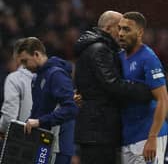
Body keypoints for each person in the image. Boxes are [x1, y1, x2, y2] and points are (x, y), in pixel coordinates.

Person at [74, 11, 153, 164]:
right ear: (109, 28)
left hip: (96, 128)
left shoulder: (95, 48)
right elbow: (113, 84)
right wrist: (145, 90)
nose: (122, 33)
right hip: (99, 130)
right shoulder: (100, 49)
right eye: (120, 28)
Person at [14, 37, 79, 164]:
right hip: (44, 143)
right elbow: (39, 109)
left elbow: (71, 109)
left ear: (36, 54)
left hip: (58, 146)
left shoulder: (56, 75)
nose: (24, 67)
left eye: (25, 61)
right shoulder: (37, 78)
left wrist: (39, 121)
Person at [118, 11, 168, 164]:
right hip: (127, 137)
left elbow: (163, 99)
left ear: (140, 32)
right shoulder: (119, 57)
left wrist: (152, 138)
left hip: (148, 136)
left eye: (126, 29)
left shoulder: (148, 58)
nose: (120, 34)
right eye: (119, 28)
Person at [0, 39, 33, 140]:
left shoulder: (14, 78)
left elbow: (9, 118)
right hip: (43, 141)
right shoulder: (46, 76)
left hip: (19, 138)